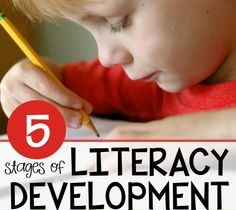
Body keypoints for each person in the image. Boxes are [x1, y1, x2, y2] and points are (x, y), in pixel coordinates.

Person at [1, 0, 236, 139]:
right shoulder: (153, 85)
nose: (106, 57)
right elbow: (61, 84)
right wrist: (27, 83)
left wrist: (211, 130)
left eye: (117, 22)